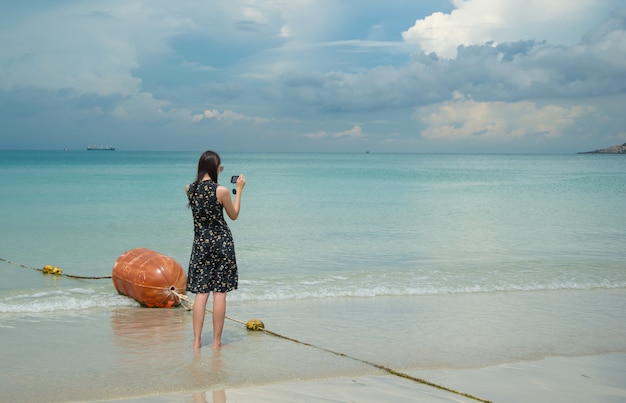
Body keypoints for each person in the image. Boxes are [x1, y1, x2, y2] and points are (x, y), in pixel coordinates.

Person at [185, 150, 245, 349]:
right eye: (219, 166)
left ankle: (196, 342)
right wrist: (240, 189)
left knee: (201, 294)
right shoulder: (222, 191)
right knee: (219, 293)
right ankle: (217, 343)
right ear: (214, 167)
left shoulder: (189, 189)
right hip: (221, 244)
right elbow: (234, 215)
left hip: (201, 244)